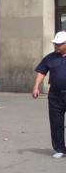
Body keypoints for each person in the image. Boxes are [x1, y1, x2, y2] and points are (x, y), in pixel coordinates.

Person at [33, 30, 66, 158]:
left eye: (59, 44)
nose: (56, 46)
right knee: (56, 122)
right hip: (55, 95)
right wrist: (36, 87)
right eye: (55, 44)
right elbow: (42, 72)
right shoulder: (50, 58)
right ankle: (60, 149)